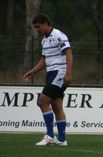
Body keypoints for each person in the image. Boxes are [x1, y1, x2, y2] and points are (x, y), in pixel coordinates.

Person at [22, 14, 73, 146]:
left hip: (59, 73)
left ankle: (50, 136)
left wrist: (68, 73)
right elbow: (45, 59)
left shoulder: (58, 35)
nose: (37, 30)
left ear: (45, 23)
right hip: (51, 73)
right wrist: (33, 71)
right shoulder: (44, 40)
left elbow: (69, 54)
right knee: (56, 106)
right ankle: (62, 139)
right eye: (35, 28)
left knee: (42, 101)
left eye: (38, 27)